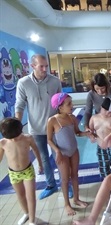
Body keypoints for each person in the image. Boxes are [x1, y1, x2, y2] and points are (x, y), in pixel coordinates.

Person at [15, 54, 62, 200]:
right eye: (41, 66)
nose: (44, 69)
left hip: (54, 128)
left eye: (46, 66)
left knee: (59, 155)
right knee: (43, 158)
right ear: (32, 66)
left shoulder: (54, 81)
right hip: (36, 129)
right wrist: (16, 129)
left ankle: (65, 183)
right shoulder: (23, 83)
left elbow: (60, 102)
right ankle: (51, 185)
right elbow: (20, 105)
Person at [47, 93, 90, 215]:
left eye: (71, 103)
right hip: (62, 153)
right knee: (65, 179)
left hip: (74, 151)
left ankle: (76, 199)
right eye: (69, 104)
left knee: (75, 175)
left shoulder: (72, 118)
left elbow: (77, 133)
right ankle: (67, 204)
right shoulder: (53, 120)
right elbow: (49, 140)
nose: (72, 105)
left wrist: (86, 133)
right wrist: (57, 151)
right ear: (60, 107)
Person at [0, 118, 43, 225]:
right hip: (13, 173)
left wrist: (40, 164)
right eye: (12, 138)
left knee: (31, 196)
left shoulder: (28, 138)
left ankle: (32, 221)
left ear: (20, 130)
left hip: (27, 171)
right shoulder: (3, 142)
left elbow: (36, 150)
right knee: (20, 195)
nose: (14, 140)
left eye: (16, 136)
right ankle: (27, 213)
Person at [89, 97, 111, 179]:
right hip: (101, 148)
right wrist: (91, 136)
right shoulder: (94, 118)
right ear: (101, 107)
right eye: (106, 110)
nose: (108, 113)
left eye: (110, 112)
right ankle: (107, 185)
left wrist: (106, 139)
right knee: (104, 168)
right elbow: (90, 131)